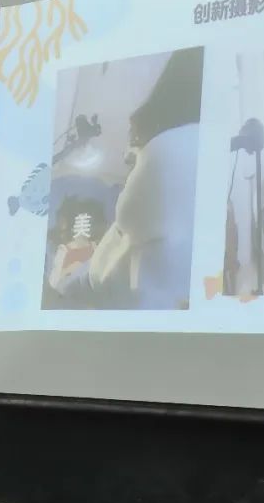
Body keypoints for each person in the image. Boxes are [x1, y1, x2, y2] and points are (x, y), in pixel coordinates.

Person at [50, 47, 204, 309]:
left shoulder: (168, 150)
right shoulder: (196, 146)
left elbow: (126, 221)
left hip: (126, 296)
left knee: (64, 280)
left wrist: (74, 270)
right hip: (144, 287)